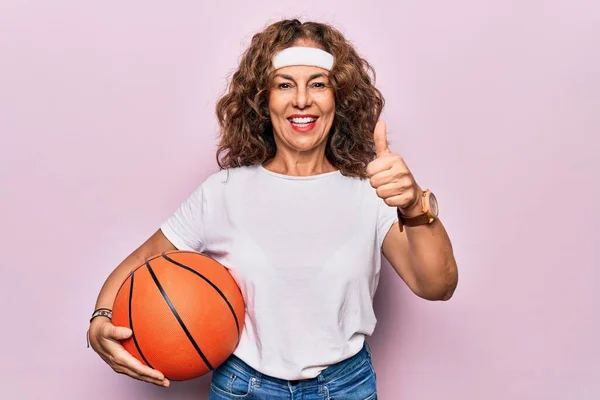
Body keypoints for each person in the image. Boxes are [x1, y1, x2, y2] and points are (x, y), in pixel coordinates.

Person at [88, 18, 458, 399]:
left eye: (318, 84)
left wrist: (414, 205)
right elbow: (144, 259)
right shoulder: (223, 193)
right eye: (285, 85)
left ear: (340, 98)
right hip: (243, 388)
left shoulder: (372, 191)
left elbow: (437, 285)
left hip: (346, 388)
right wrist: (100, 320)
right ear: (263, 99)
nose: (302, 100)